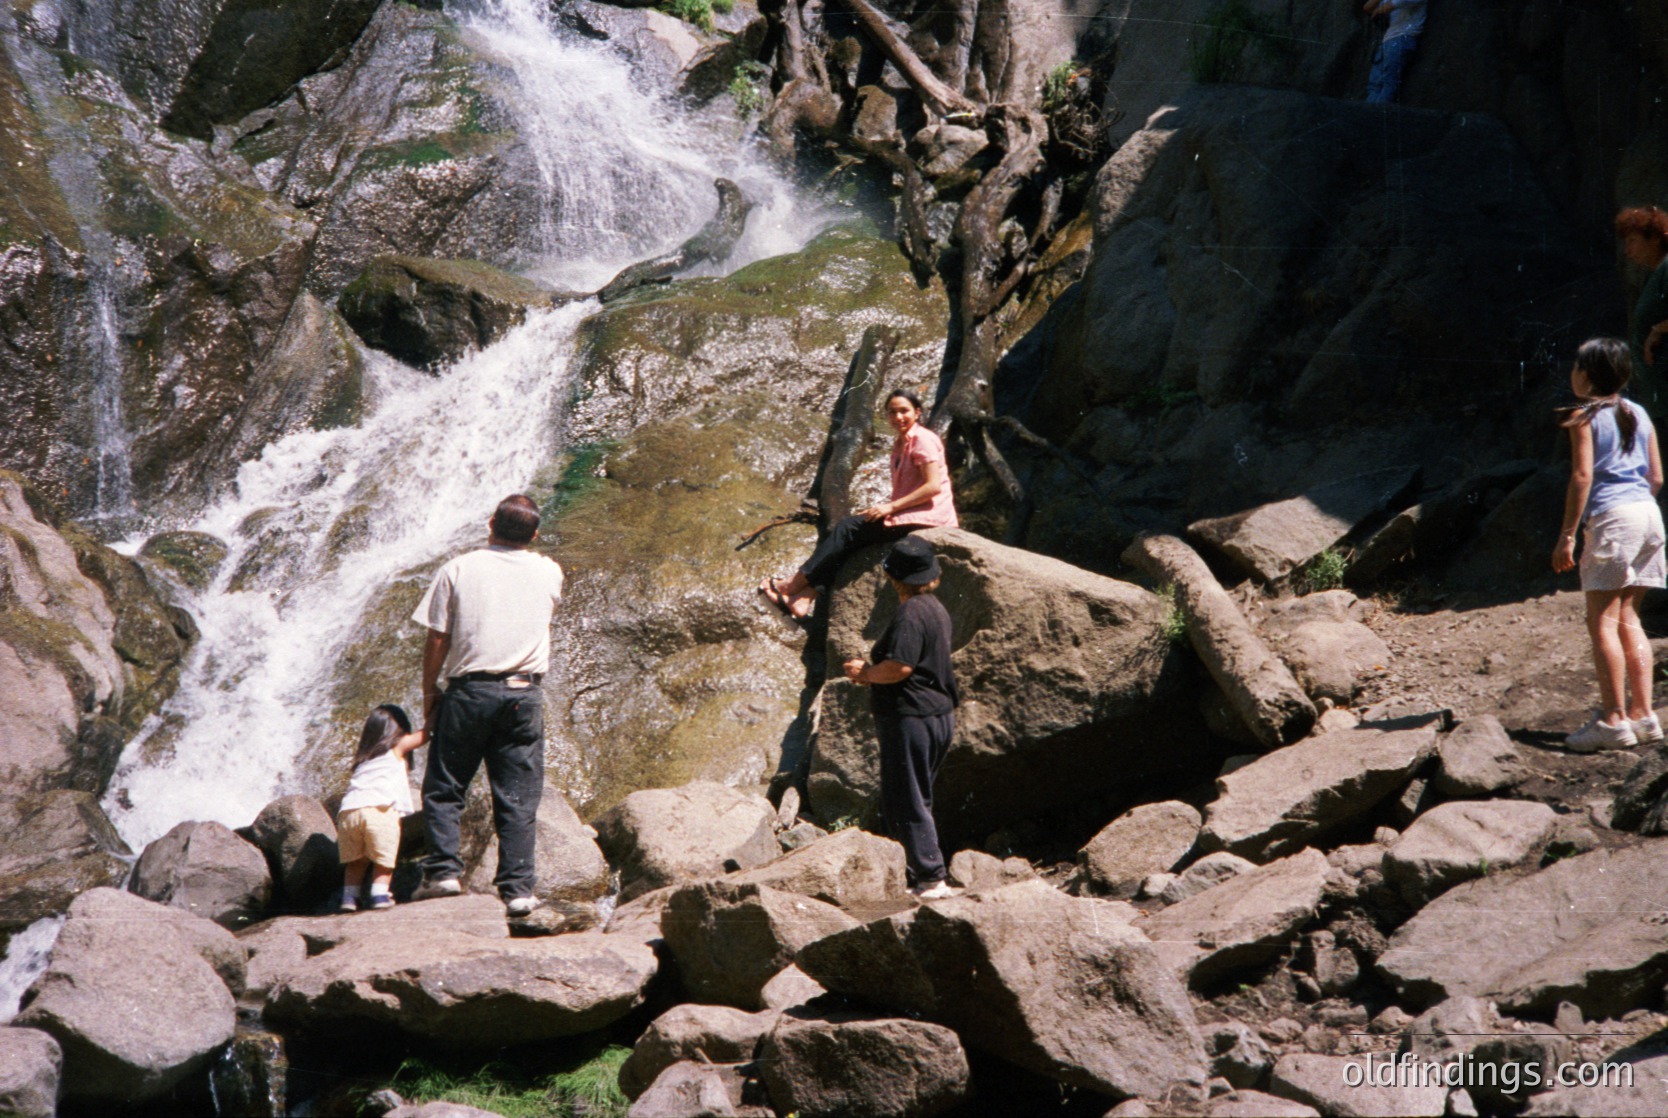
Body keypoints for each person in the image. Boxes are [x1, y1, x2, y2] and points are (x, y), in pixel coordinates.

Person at [410, 494, 564, 915]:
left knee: (445, 786)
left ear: (490, 522)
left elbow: (438, 637)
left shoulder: (458, 568)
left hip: (470, 691)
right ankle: (517, 890)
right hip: (524, 694)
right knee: (518, 794)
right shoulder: (550, 571)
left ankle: (442, 872)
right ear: (535, 535)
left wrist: (430, 693)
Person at [1551, 338, 1666, 752]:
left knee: (1601, 620)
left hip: (1614, 518)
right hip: (1649, 517)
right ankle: (1645, 716)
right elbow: (1656, 478)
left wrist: (1568, 534)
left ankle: (1614, 720)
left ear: (1586, 375)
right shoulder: (1639, 412)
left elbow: (1582, 477)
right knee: (1628, 616)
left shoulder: (1583, 417)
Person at [761, 390, 957, 621]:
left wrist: (889, 508)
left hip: (929, 518)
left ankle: (792, 586)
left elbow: (933, 486)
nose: (898, 417)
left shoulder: (922, 439)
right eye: (892, 412)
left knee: (846, 529)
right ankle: (805, 598)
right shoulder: (902, 442)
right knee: (853, 538)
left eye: (904, 411)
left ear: (917, 412)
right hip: (913, 514)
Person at [841, 536, 959, 899]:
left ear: (894, 578)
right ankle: (910, 872)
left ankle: (932, 878)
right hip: (938, 714)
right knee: (906, 796)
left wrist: (864, 673)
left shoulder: (910, 613)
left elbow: (900, 667)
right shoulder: (935, 608)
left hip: (913, 716)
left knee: (908, 797)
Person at [336, 704, 425, 912]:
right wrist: (436, 707)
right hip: (379, 809)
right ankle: (379, 895)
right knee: (383, 857)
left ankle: (349, 899)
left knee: (357, 860)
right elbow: (425, 735)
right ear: (399, 730)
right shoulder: (396, 747)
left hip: (349, 812)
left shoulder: (363, 758)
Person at [1615, 205, 1668, 415]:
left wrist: (1658, 330)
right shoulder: (1652, 276)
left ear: (1654, 238)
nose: (1627, 251)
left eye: (1632, 241)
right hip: (1658, 392)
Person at [1363, 0, 1427, 104]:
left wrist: (1379, 10)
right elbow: (1367, 8)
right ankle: (1369, 114)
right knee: (1374, 84)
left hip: (1402, 37)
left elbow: (1389, 6)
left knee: (1388, 82)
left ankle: (1378, 116)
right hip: (1387, 41)